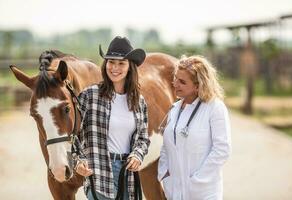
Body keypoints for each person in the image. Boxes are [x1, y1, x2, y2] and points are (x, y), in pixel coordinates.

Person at [76, 36, 150, 200]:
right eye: (111, 62)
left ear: (130, 67)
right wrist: (78, 160)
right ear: (105, 64)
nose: (115, 68)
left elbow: (143, 138)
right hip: (99, 173)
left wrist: (138, 154)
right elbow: (74, 136)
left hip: (128, 175)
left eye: (121, 63)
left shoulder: (139, 101)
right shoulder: (89, 96)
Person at [158, 55, 231, 200]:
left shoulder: (215, 107)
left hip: (203, 192)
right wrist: (164, 173)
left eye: (182, 82)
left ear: (198, 86)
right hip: (174, 190)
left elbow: (222, 150)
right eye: (175, 78)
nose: (175, 84)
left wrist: (197, 181)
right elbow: (167, 145)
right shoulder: (175, 108)